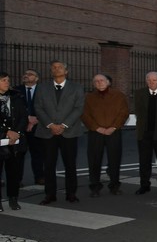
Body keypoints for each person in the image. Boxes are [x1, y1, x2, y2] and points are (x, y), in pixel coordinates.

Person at [33, 60, 86, 205]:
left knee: (70, 164)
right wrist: (50, 125)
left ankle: (71, 194)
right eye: (54, 67)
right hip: (47, 131)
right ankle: (50, 194)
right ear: (51, 71)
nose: (56, 69)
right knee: (49, 165)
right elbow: (38, 107)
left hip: (69, 132)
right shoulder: (42, 88)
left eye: (60, 67)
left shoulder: (76, 88)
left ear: (66, 71)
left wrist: (63, 125)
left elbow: (78, 108)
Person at [82, 73, 129, 197]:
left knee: (114, 160)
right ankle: (95, 187)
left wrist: (113, 127)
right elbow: (85, 115)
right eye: (96, 81)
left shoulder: (119, 96)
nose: (99, 83)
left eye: (102, 80)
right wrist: (97, 128)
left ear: (108, 82)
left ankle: (114, 186)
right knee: (94, 161)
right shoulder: (89, 97)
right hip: (95, 133)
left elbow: (123, 113)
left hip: (113, 132)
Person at [0, 72, 28, 211]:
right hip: (1, 139)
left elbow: (24, 117)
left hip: (15, 140)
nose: (7, 82)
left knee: (14, 172)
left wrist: (16, 133)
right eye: (3, 80)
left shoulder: (16, 96)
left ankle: (13, 199)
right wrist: (6, 132)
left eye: (8, 80)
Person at [14, 69, 44, 185]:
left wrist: (36, 119)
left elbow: (47, 106)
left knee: (38, 153)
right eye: (25, 74)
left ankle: (39, 177)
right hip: (20, 126)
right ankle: (17, 179)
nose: (26, 76)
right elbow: (15, 108)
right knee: (19, 154)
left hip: (38, 126)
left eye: (30, 74)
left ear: (36, 78)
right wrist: (27, 119)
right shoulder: (16, 90)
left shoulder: (43, 90)